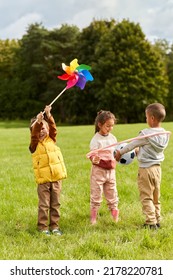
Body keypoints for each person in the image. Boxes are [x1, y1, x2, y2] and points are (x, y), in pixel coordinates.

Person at [115, 103, 170, 229]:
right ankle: (157, 219)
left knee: (146, 196)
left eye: (146, 117)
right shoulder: (164, 134)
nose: (146, 120)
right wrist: (140, 152)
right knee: (156, 196)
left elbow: (131, 145)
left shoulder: (146, 134)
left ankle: (150, 222)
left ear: (151, 118)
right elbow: (151, 149)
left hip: (146, 169)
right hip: (157, 169)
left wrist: (120, 152)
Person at [29, 105, 67, 236]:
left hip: (56, 178)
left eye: (43, 128)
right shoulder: (34, 145)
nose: (41, 131)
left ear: (48, 129)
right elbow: (35, 135)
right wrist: (38, 123)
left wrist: (48, 115)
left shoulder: (52, 139)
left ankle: (55, 226)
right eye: (38, 129)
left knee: (55, 204)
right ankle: (43, 227)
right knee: (44, 205)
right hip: (43, 181)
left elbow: (54, 129)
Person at [88, 110, 119, 225]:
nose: (110, 128)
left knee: (112, 194)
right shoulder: (96, 140)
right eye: (108, 126)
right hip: (98, 172)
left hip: (111, 172)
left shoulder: (113, 138)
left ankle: (115, 218)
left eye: (112, 126)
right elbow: (92, 154)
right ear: (99, 125)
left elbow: (115, 152)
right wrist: (93, 158)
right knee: (96, 195)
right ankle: (93, 219)